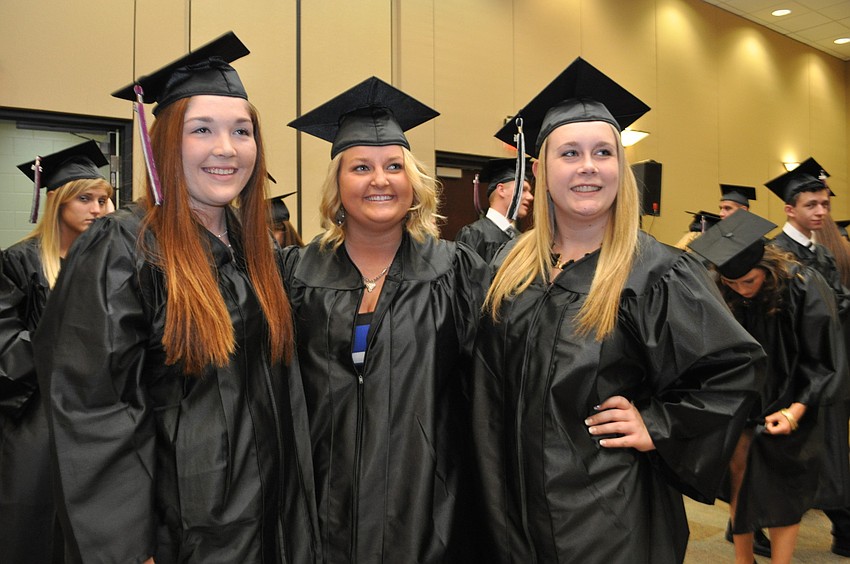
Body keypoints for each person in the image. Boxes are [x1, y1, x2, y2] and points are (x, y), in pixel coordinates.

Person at [32, 32, 319, 564]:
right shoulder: (123, 246)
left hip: (265, 522)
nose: (226, 148)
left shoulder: (255, 253)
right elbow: (94, 409)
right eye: (201, 130)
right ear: (165, 141)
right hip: (178, 534)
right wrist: (125, 548)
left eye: (242, 131)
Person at [471, 57, 765, 563]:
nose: (588, 166)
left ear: (619, 168)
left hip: (610, 517)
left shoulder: (657, 273)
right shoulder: (508, 266)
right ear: (540, 171)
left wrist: (660, 423)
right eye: (570, 153)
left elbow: (734, 369)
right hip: (511, 515)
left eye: (603, 152)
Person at [285, 76, 489, 562]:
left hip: (427, 508)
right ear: (338, 182)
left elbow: (499, 380)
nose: (380, 180)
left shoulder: (456, 271)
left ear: (413, 183)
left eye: (394, 166)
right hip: (318, 507)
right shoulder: (293, 274)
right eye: (361, 167)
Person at [690, 210, 847, 564]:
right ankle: (743, 559)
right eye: (732, 285)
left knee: (784, 488)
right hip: (744, 400)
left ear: (766, 265)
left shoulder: (804, 285)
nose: (742, 290)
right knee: (739, 475)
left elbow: (822, 358)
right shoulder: (726, 291)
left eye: (748, 281)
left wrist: (796, 410)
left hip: (794, 398)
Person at [0, 140, 112, 564]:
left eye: (103, 200)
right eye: (85, 199)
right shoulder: (20, 262)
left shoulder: (113, 263)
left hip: (101, 415)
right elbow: (6, 343)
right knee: (36, 530)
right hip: (38, 418)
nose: (98, 209)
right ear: (56, 201)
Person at [765, 158, 850, 557]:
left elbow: (837, 301)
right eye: (811, 205)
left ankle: (840, 523)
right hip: (794, 370)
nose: (820, 212)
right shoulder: (776, 255)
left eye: (824, 205)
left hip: (826, 365)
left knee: (828, 447)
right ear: (789, 208)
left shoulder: (824, 253)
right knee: (793, 454)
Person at [455, 157, 533, 262]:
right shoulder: (474, 235)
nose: (530, 197)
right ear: (501, 190)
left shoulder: (522, 239)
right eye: (523, 190)